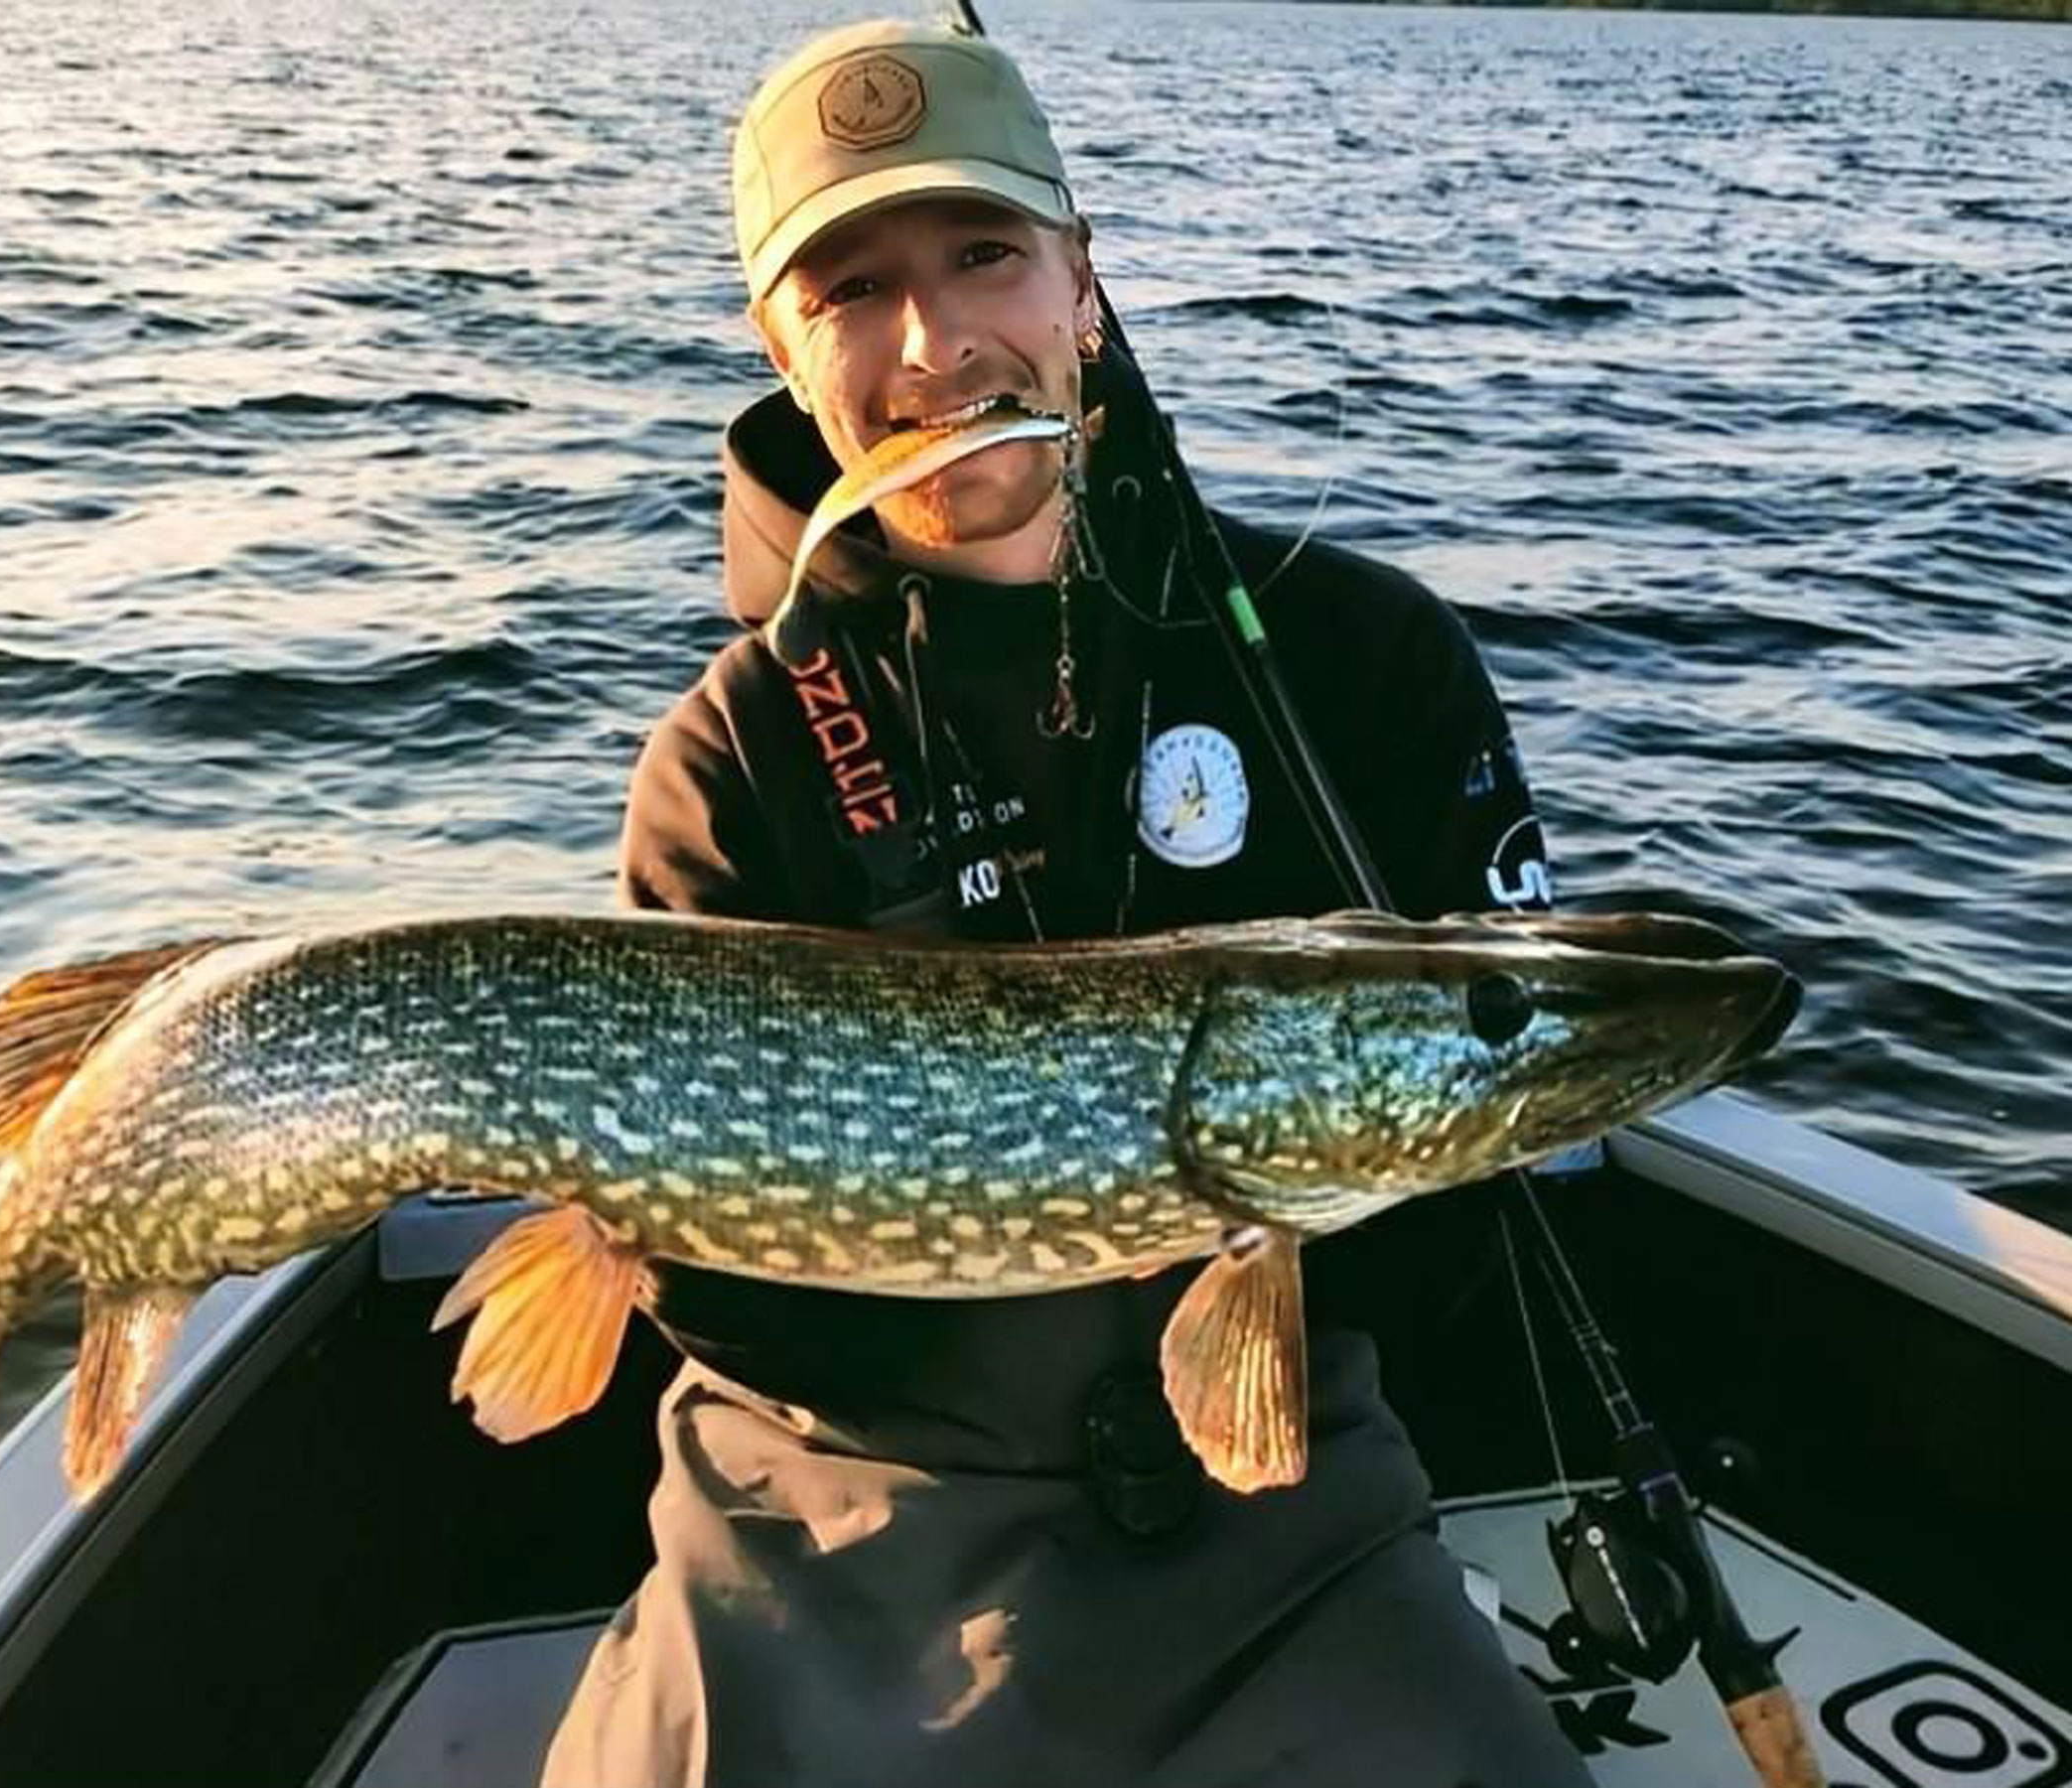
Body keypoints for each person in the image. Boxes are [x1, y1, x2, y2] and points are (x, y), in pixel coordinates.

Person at [542, 18, 1591, 1788]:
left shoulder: (1365, 658)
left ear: (1081, 279)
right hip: (832, 1521)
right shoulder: (730, 760)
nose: (936, 341)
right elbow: (762, 1321)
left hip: (1295, 1533)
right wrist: (640, 1220)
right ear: (781, 349)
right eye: (851, 287)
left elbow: (1473, 1220)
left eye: (983, 255)